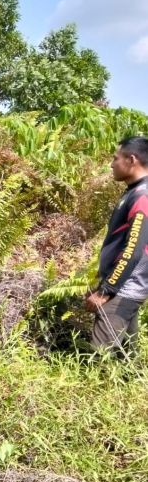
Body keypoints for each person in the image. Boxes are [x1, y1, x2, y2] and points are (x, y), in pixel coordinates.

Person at [85, 136, 148, 355]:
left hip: (125, 289)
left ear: (132, 159)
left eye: (115, 158)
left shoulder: (142, 195)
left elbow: (134, 249)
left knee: (98, 357)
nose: (112, 164)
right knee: (126, 359)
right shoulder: (134, 191)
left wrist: (107, 290)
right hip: (124, 287)